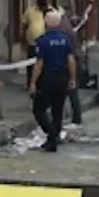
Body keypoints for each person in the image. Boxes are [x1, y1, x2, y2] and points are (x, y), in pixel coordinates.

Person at [28, 10, 76, 152]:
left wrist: (33, 82)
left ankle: (52, 133)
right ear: (59, 23)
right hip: (62, 78)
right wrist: (72, 78)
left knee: (38, 109)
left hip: (47, 78)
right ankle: (52, 140)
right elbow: (71, 60)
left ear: (46, 23)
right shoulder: (65, 40)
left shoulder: (42, 41)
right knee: (57, 110)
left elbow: (39, 64)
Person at [22, 0, 51, 86]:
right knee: (31, 64)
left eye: (45, 2)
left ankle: (42, 83)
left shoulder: (51, 11)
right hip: (33, 43)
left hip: (46, 44)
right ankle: (30, 83)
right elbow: (24, 24)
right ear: (37, 2)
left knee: (44, 64)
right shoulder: (30, 10)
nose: (43, 5)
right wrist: (23, 38)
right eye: (41, 2)